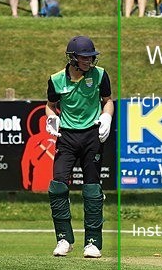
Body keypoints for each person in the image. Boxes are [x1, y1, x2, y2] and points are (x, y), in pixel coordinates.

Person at [45, 36, 113, 258]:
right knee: (57, 186)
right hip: (67, 137)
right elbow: (50, 106)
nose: (89, 61)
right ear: (72, 58)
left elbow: (108, 100)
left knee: (92, 189)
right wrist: (51, 119)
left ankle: (93, 243)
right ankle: (64, 239)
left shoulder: (100, 75)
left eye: (91, 57)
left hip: (92, 135)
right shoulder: (56, 80)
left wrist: (107, 117)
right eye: (85, 57)